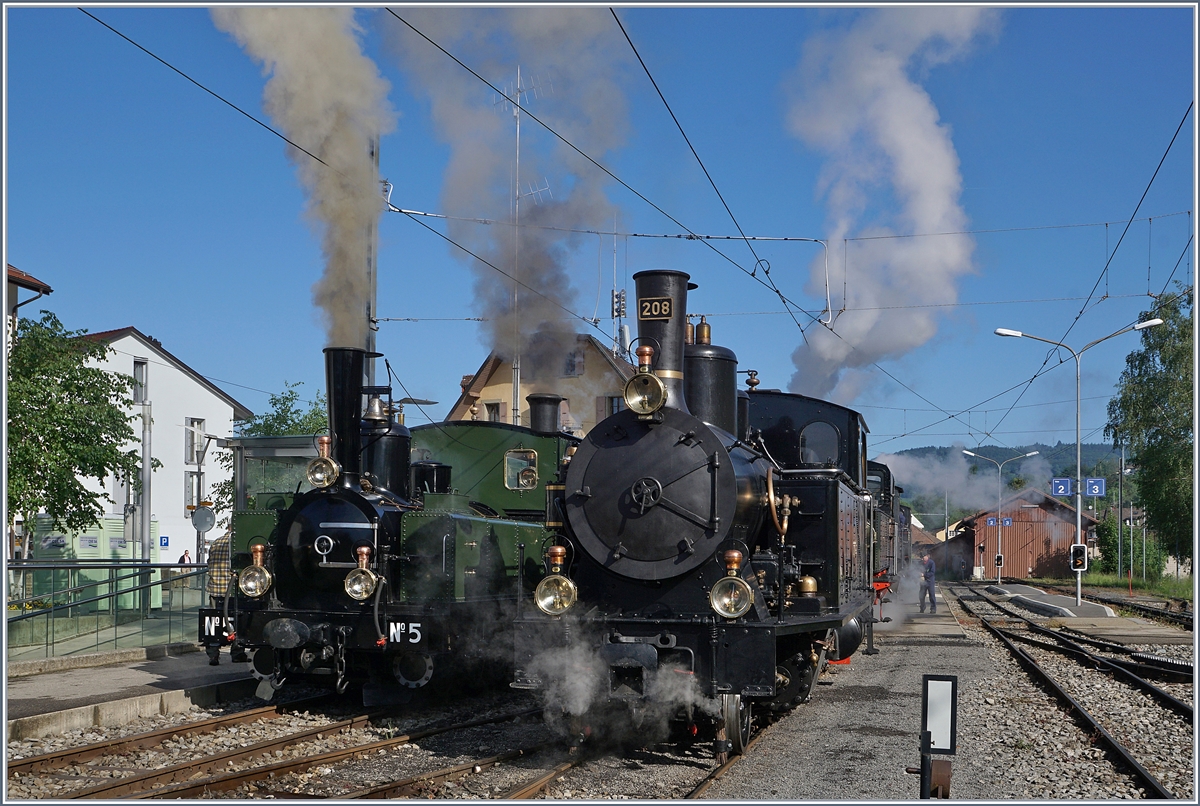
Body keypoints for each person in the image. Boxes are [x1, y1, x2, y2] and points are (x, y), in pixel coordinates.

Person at [204, 532, 247, 664]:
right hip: (232, 590)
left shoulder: (216, 542)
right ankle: (237, 652)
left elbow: (209, 562)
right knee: (236, 621)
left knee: (214, 622)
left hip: (215, 589)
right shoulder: (239, 542)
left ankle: (213, 654)